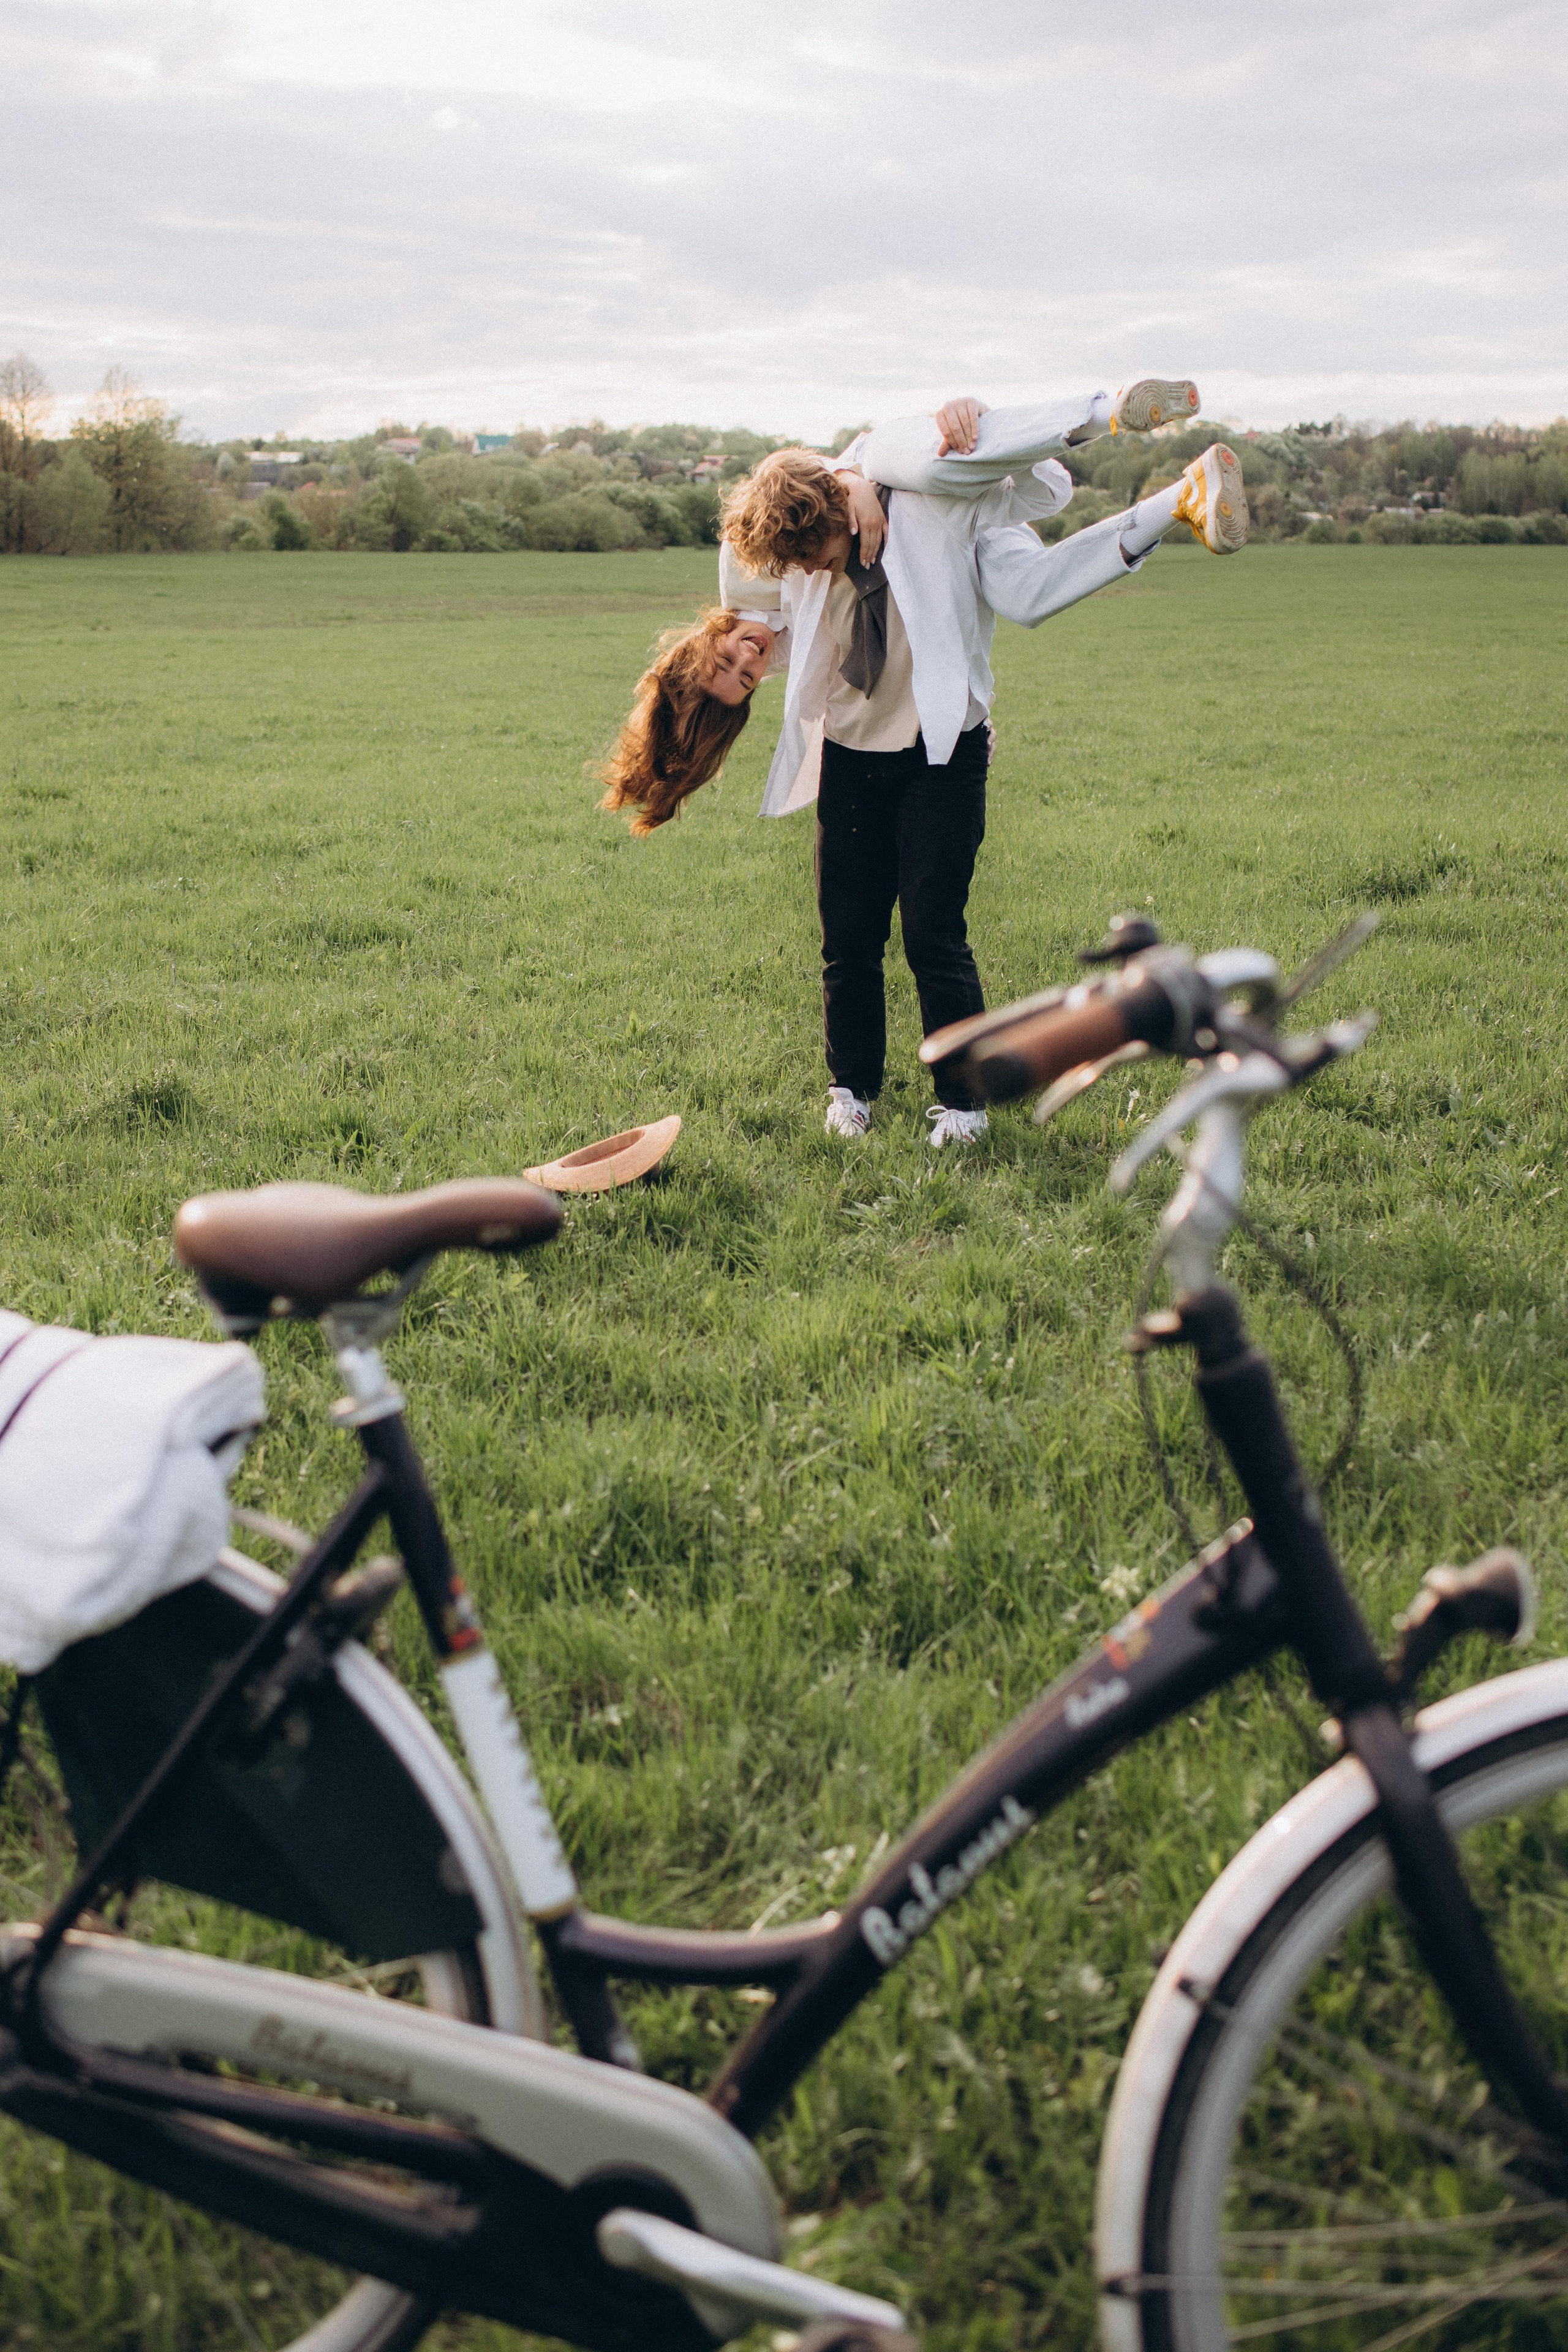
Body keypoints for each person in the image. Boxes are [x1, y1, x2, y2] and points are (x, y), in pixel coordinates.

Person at [600, 382, 1248, 1145]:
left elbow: (795, 477)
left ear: (699, 642)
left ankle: (963, 1104)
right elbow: (788, 557)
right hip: (856, 757)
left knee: (935, 934)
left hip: (942, 744)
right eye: (742, 680)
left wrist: (851, 480)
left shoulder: (804, 530)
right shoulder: (783, 588)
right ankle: (850, 1091)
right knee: (849, 941)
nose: (747, 661)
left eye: (728, 661)